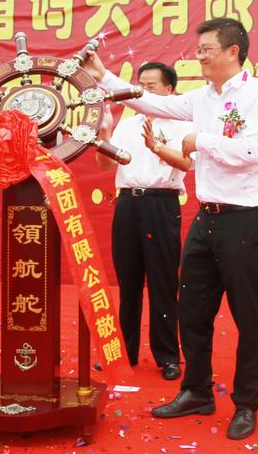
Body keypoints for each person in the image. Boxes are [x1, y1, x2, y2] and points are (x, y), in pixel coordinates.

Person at [84, 17, 258, 440]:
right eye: (200, 48)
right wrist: (103, 77)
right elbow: (149, 103)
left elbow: (255, 150)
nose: (199, 55)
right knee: (191, 310)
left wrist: (198, 141)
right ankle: (197, 390)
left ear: (232, 51)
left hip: (248, 219)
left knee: (249, 316)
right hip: (207, 219)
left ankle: (247, 402)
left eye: (207, 48)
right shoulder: (201, 97)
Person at [96, 62, 192, 380]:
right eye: (140, 85)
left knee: (163, 282)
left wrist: (156, 146)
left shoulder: (181, 124)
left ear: (169, 90)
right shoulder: (128, 122)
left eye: (151, 86)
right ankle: (125, 352)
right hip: (127, 204)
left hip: (161, 204)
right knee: (129, 282)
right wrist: (104, 133)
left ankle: (168, 355)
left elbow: (186, 163)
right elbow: (105, 165)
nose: (142, 91)